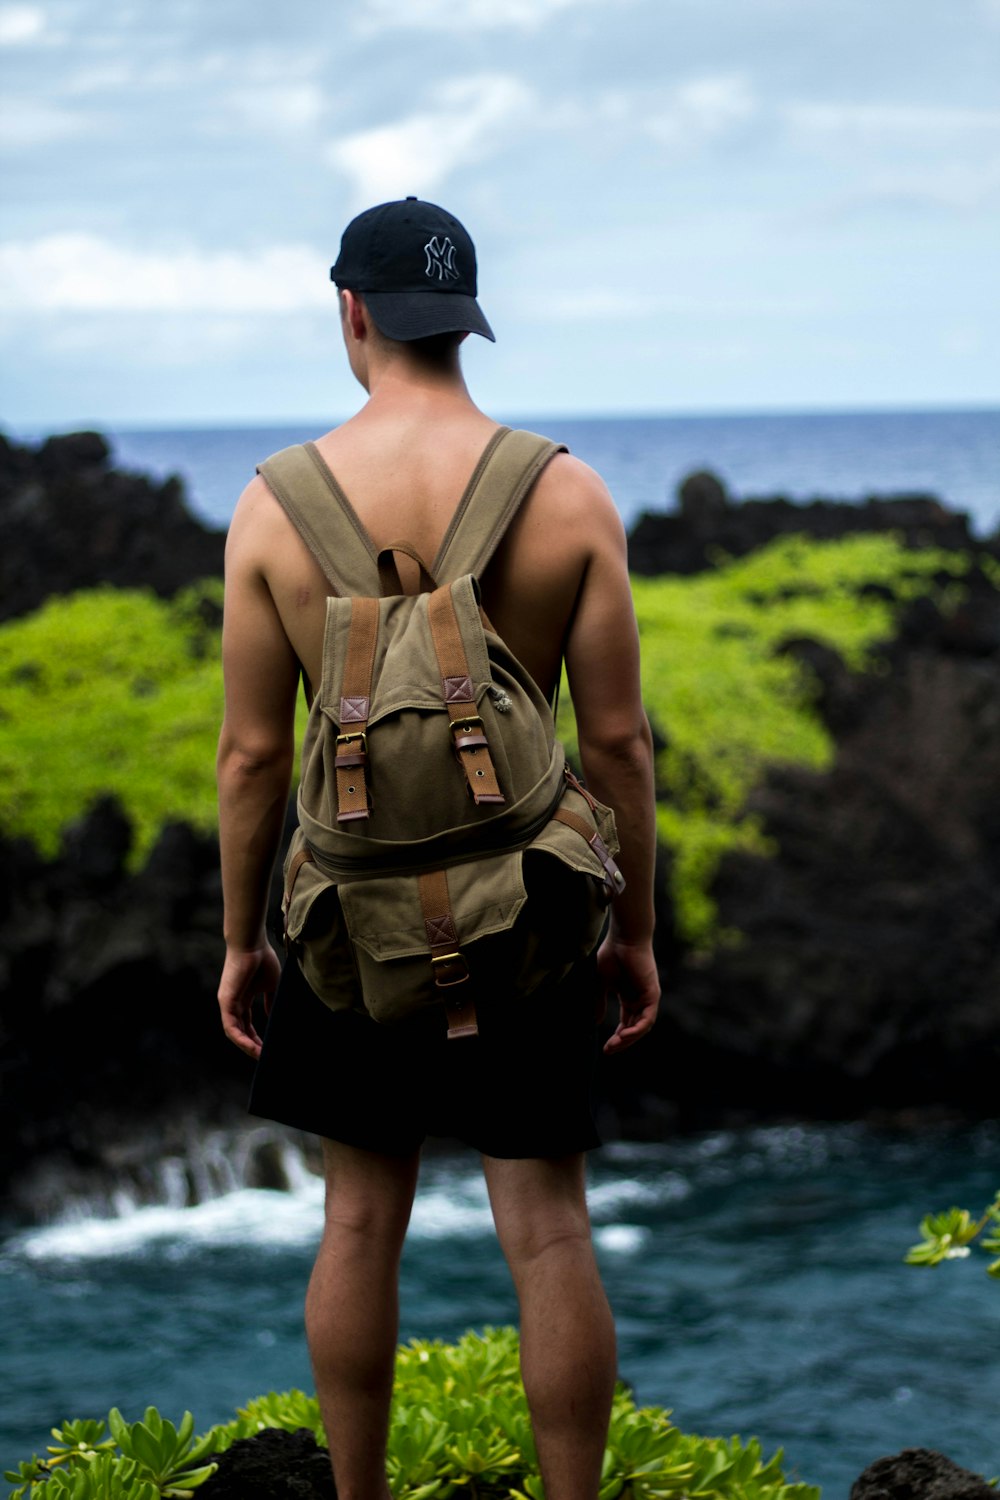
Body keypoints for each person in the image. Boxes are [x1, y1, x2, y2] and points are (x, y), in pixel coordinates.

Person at [216, 197, 660, 1500]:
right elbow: (623, 743)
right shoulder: (566, 493)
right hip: (530, 919)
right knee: (550, 1231)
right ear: (464, 321)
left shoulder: (272, 509)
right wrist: (631, 934)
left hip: (346, 929)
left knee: (357, 1221)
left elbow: (249, 761)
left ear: (348, 312)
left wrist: (244, 940)